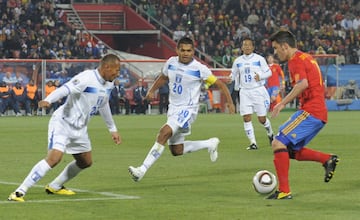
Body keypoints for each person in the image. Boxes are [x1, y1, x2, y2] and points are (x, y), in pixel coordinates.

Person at [8, 53, 122, 202]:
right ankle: (19, 192)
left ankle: (55, 186)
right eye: (116, 69)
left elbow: (104, 103)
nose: (117, 73)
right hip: (63, 123)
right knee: (54, 158)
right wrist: (48, 100)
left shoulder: (109, 83)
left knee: (85, 162)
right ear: (106, 67)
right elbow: (65, 89)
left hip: (80, 129)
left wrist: (112, 128)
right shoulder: (86, 78)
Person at [128, 37, 235, 182]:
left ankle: (142, 169)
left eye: (189, 50)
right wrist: (152, 90)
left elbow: (220, 85)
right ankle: (209, 143)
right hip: (173, 109)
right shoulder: (171, 63)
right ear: (177, 50)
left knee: (163, 133)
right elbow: (163, 77)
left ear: (193, 51)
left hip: (188, 110)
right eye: (183, 50)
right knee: (176, 150)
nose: (185, 53)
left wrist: (230, 103)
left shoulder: (199, 69)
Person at [267, 30, 339, 200]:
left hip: (311, 111)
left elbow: (302, 84)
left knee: (278, 142)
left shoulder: (295, 61)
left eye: (277, 48)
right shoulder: (305, 57)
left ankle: (284, 191)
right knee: (290, 150)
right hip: (317, 112)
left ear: (285, 46)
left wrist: (281, 103)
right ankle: (327, 159)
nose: (276, 53)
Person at [230, 37, 274, 150]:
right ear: (242, 47)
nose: (247, 47)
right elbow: (233, 74)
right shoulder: (238, 61)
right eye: (245, 45)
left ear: (253, 47)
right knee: (246, 117)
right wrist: (230, 78)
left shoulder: (259, 59)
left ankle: (270, 132)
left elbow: (268, 72)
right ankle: (253, 143)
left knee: (261, 119)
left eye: (249, 45)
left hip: (258, 90)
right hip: (244, 91)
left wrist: (261, 76)